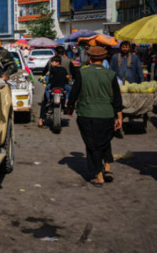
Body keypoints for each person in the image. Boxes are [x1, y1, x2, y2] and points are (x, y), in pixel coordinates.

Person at [66, 46, 123, 187]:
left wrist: (70, 108)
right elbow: (117, 98)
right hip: (107, 114)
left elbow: (74, 93)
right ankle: (107, 167)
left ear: (90, 58)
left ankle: (99, 175)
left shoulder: (83, 73)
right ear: (104, 58)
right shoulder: (110, 74)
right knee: (103, 141)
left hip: (87, 113)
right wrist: (119, 117)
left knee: (93, 145)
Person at [38, 56, 71, 127]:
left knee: (46, 89)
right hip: (62, 86)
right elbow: (68, 76)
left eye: (53, 62)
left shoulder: (52, 69)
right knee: (69, 89)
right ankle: (67, 100)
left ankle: (49, 99)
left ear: (58, 62)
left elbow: (49, 75)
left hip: (53, 86)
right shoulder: (64, 67)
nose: (52, 63)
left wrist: (44, 77)